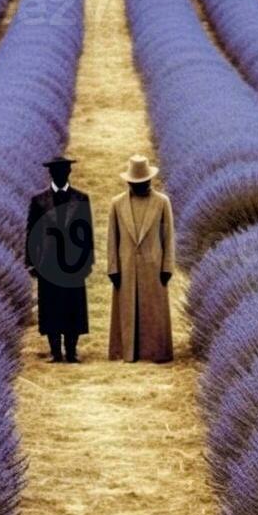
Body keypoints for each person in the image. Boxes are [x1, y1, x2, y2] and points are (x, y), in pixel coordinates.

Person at [107, 155, 175, 363]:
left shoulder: (162, 202)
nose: (139, 186)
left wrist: (167, 266)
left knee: (154, 310)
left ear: (150, 180)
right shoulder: (117, 204)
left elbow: (168, 236)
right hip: (126, 265)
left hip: (153, 265)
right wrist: (113, 268)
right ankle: (126, 351)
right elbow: (112, 238)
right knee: (126, 309)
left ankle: (155, 352)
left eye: (143, 182)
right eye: (135, 183)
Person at [26, 155, 94, 363]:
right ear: (50, 174)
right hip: (48, 261)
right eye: (56, 172)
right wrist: (30, 261)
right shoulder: (39, 200)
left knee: (72, 305)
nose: (60, 175)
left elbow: (87, 232)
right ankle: (55, 352)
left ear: (69, 173)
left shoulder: (81, 198)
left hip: (73, 261)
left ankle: (72, 351)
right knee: (51, 305)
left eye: (63, 171)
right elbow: (31, 233)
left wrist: (88, 261)